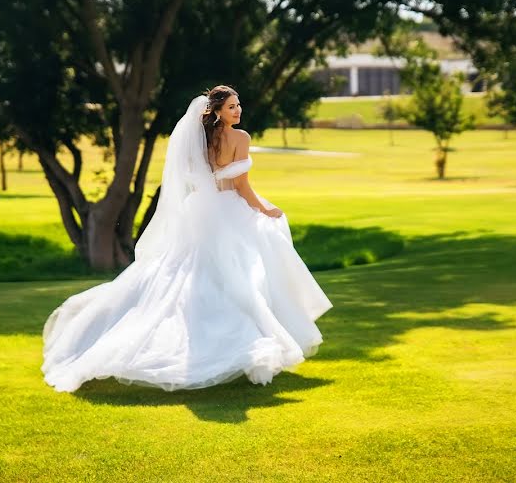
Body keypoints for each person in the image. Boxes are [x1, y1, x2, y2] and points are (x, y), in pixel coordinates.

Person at [41, 85, 333, 393]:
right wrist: (266, 209)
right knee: (243, 276)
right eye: (232, 107)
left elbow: (196, 182)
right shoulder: (241, 138)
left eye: (238, 105)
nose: (238, 111)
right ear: (217, 111)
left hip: (200, 213)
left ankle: (225, 343)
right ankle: (248, 346)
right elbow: (242, 186)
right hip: (228, 211)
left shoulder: (199, 140)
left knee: (192, 275)